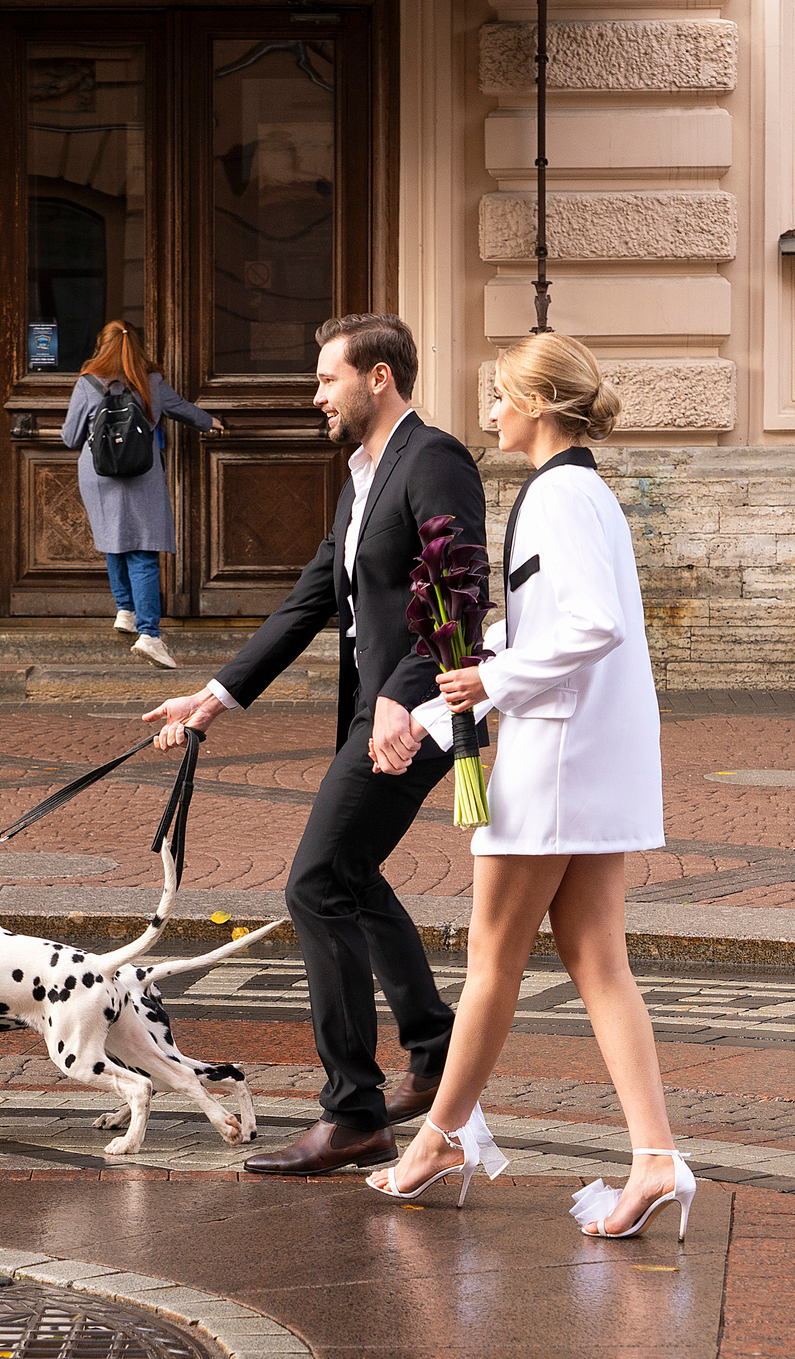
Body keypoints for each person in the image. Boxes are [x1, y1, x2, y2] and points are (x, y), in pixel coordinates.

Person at [361, 332, 688, 1240]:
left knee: (493, 963)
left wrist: (486, 684)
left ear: (540, 402)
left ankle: (439, 1139)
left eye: (500, 395)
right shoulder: (579, 494)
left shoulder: (560, 495)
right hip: (583, 754)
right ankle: (655, 1156)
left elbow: (591, 626)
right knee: (594, 958)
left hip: (556, 762)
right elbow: (541, 632)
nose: (489, 412)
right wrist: (434, 712)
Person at [145, 313, 486, 1177]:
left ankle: (354, 1111)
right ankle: (435, 1052)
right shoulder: (363, 477)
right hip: (382, 714)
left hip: (423, 715)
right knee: (352, 877)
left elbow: (459, 596)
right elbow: (309, 602)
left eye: (327, 378)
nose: (315, 395)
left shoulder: (434, 458)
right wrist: (214, 697)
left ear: (378, 377)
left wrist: (402, 702)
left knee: (314, 883)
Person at [62, 322, 223, 671]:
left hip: (99, 475)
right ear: (137, 347)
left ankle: (126, 610)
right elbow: (183, 409)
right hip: (141, 473)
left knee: (113, 539)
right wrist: (210, 422)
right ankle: (150, 635)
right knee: (143, 551)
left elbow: (71, 437)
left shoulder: (87, 384)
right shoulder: (151, 383)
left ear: (100, 346)